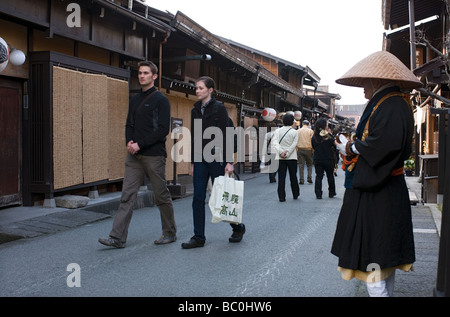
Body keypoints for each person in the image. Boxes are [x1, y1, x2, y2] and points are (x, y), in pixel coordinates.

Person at [331, 51, 422, 297]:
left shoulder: (390, 103)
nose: (362, 87)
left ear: (377, 81)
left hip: (379, 191)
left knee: (374, 256)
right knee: (384, 259)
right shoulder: (393, 101)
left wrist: (350, 146)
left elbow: (382, 144)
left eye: (364, 82)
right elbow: (380, 142)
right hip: (387, 188)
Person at [98, 61, 177, 248]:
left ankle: (169, 233)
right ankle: (117, 237)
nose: (141, 76)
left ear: (154, 76)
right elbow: (129, 124)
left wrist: (140, 144)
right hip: (134, 156)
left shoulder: (161, 100)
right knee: (127, 196)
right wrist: (129, 142)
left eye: (146, 73)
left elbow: (162, 130)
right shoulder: (134, 99)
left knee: (161, 195)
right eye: (140, 73)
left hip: (154, 156)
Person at [181, 76, 245, 249]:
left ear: (210, 90)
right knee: (198, 197)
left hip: (217, 158)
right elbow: (195, 137)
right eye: (196, 88)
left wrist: (229, 161)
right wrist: (193, 162)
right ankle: (198, 237)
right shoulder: (195, 110)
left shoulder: (219, 109)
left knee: (220, 195)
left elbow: (227, 134)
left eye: (201, 88)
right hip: (201, 158)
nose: (197, 91)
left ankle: (238, 227)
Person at [272, 114, 299, 202]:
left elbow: (275, 143)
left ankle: (281, 197)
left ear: (282, 121)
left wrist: (281, 152)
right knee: (293, 176)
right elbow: (294, 144)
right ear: (292, 122)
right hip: (292, 157)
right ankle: (295, 194)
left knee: (281, 177)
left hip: (280, 158)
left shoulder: (277, 131)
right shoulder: (295, 132)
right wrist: (287, 152)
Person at [311, 118, 336, 199]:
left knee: (318, 176)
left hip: (318, 158)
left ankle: (318, 193)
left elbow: (313, 146)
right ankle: (331, 192)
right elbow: (334, 146)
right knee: (330, 176)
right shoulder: (329, 137)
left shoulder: (314, 137)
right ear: (325, 126)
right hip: (328, 159)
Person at [296, 120, 314, 184]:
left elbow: (296, 141)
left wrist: (296, 150)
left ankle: (301, 179)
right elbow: (312, 141)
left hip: (300, 149)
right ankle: (309, 176)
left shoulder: (298, 131)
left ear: (303, 124)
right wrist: (313, 150)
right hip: (308, 149)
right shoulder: (311, 131)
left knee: (301, 165)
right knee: (309, 164)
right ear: (308, 124)